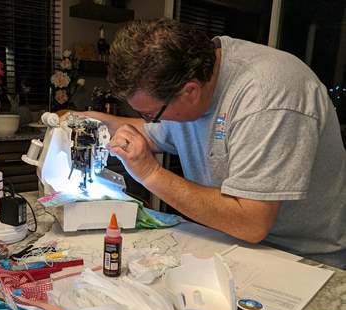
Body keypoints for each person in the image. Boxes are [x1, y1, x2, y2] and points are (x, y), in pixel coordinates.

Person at [79, 18, 346, 268]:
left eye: (149, 113)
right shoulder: (195, 77)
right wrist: (91, 121)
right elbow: (147, 133)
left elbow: (251, 222)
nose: (147, 120)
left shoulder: (266, 98)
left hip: (302, 262)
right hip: (231, 241)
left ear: (190, 92)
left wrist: (150, 173)